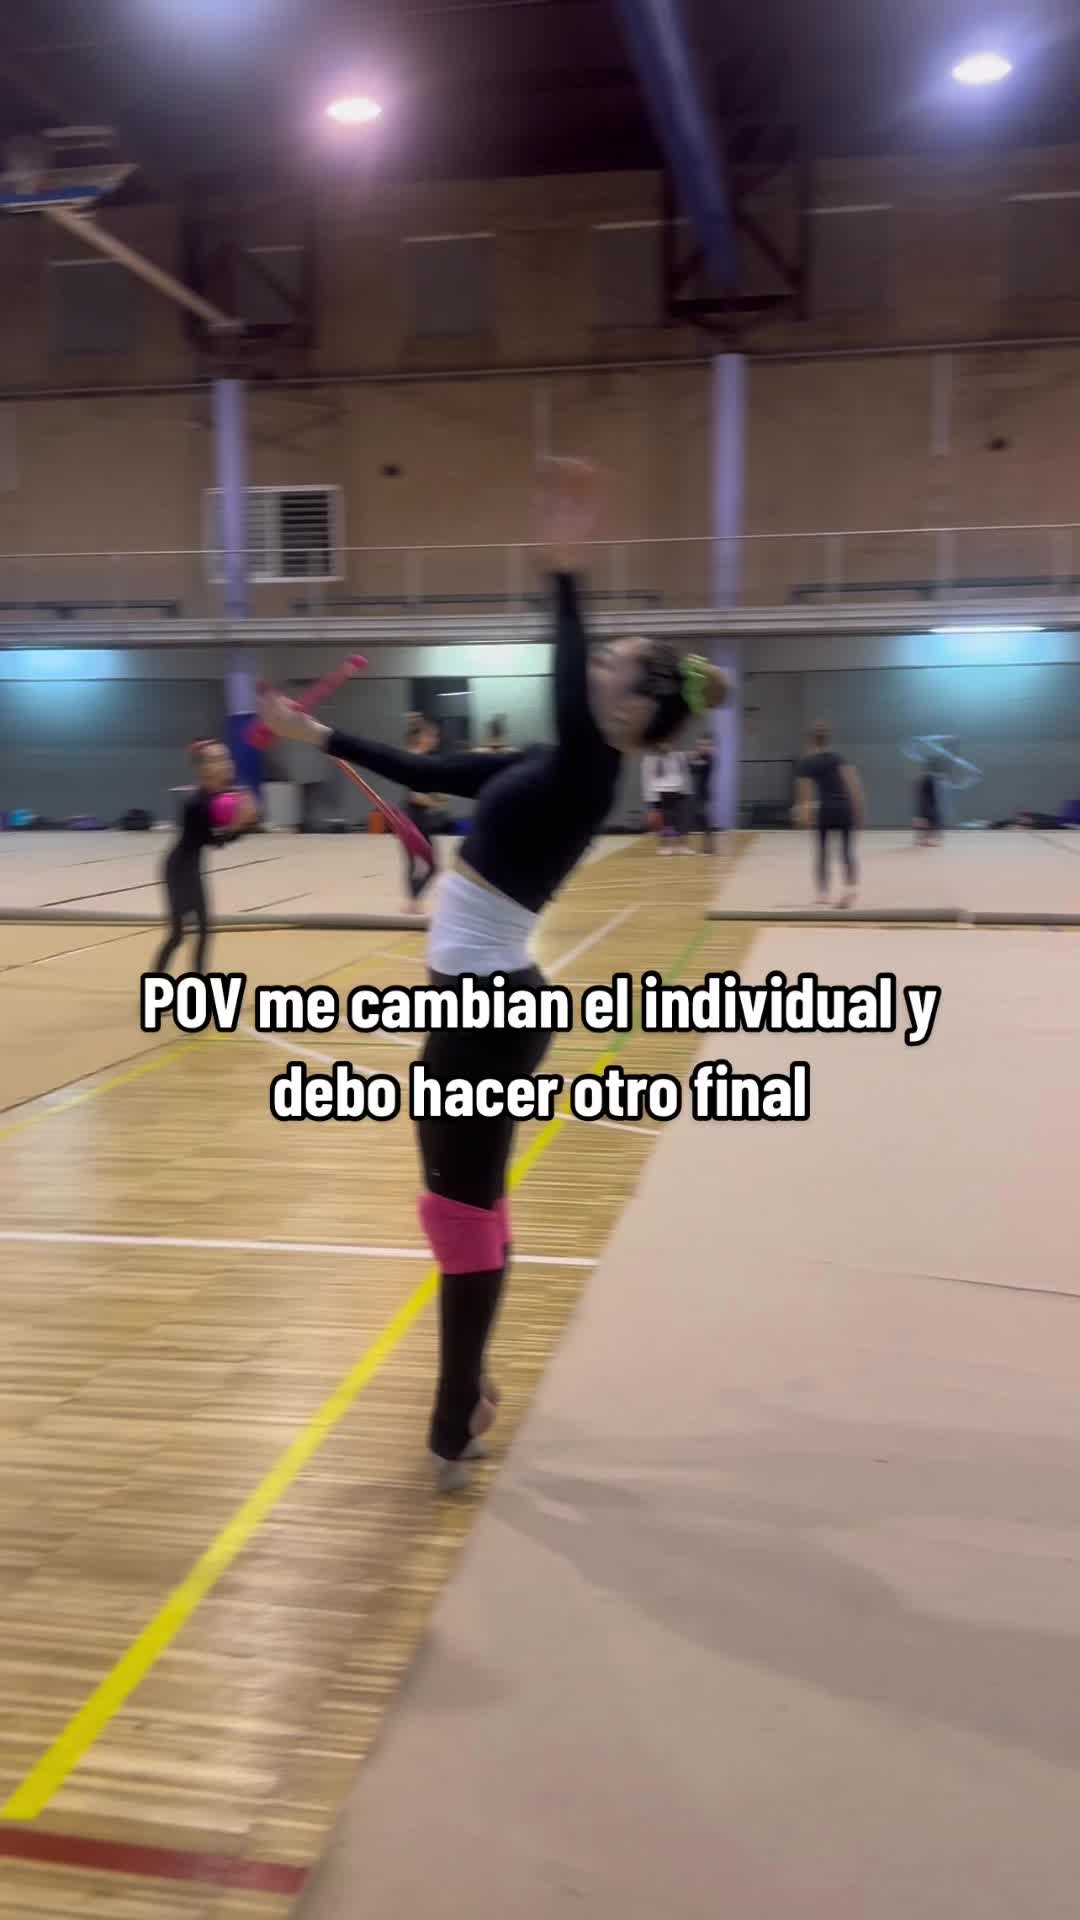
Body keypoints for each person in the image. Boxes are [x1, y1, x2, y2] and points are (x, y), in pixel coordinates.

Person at [257, 458, 731, 1492]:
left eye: (615, 663)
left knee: (460, 1217)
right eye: (601, 654)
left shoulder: (590, 769)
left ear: (635, 709)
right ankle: (464, 1402)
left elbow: (566, 674)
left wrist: (564, 572)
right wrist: (316, 733)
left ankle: (452, 1423)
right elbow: (430, 773)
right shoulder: (548, 766)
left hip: (489, 1013)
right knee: (469, 1212)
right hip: (487, 1003)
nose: (595, 666)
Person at [154, 740, 257, 975]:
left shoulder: (221, 796)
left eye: (227, 758)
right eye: (218, 759)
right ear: (203, 768)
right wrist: (238, 826)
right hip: (177, 871)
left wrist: (248, 823)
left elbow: (225, 834)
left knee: (203, 932)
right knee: (178, 935)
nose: (227, 763)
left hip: (192, 869)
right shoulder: (194, 804)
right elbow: (212, 840)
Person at [792, 723, 865, 908]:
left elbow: (806, 796)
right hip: (845, 807)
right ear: (827, 740)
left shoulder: (806, 764)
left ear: (810, 741)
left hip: (826, 809)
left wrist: (805, 817)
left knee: (822, 851)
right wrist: (859, 813)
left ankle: (823, 895)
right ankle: (850, 889)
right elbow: (854, 785)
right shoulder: (838, 758)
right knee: (846, 850)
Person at [402, 716, 448, 913]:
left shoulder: (424, 759)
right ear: (421, 737)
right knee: (422, 863)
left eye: (435, 736)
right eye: (432, 736)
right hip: (412, 818)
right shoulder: (415, 759)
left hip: (418, 818)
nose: (435, 740)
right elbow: (414, 796)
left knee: (429, 865)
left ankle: (413, 901)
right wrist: (436, 802)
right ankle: (413, 902)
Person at [902, 735, 980, 846]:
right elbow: (913, 745)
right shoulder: (942, 757)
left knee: (928, 809)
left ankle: (927, 836)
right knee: (931, 809)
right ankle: (928, 835)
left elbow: (973, 773)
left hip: (931, 781)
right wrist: (943, 737)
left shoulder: (947, 758)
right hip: (932, 782)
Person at [642, 746, 692, 853]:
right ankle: (664, 846)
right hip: (660, 793)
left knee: (681, 819)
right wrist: (651, 798)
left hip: (679, 791)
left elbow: (685, 773)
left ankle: (682, 846)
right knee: (664, 821)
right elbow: (648, 778)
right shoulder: (651, 759)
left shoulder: (679, 756)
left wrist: (686, 791)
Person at [687, 731, 715, 853]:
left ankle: (709, 846)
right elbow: (690, 768)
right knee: (698, 817)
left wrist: (691, 759)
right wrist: (691, 759)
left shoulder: (710, 759)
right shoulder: (699, 757)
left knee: (702, 816)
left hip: (703, 793)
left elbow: (696, 767)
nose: (702, 747)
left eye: (705, 745)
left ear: (710, 746)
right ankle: (706, 845)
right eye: (700, 745)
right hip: (694, 793)